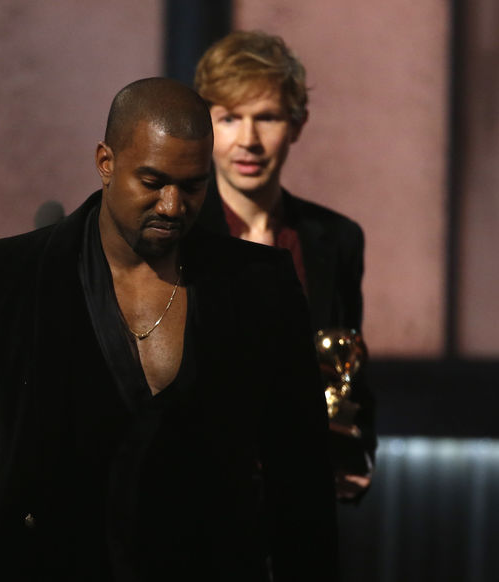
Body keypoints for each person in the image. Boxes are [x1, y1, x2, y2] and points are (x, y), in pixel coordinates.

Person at [0, 77, 338, 582]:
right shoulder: (6, 278)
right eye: (152, 182)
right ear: (106, 163)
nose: (173, 207)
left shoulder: (261, 286)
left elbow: (301, 479)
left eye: (193, 186)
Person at [194, 31, 376, 501]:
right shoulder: (177, 233)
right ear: (205, 125)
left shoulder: (337, 238)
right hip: (192, 500)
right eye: (229, 118)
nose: (248, 140)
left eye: (267, 118)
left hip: (300, 497)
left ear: (297, 125)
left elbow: (349, 364)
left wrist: (358, 452)